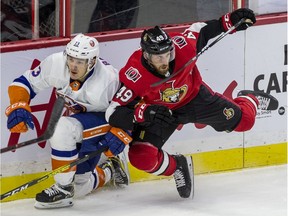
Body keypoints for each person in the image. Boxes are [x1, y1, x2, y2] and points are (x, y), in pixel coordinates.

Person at [105, 8, 278, 199]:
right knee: (141, 157)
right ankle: (178, 166)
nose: (165, 61)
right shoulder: (134, 74)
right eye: (158, 57)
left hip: (196, 99)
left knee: (245, 121)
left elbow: (200, 30)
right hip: (161, 113)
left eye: (167, 54)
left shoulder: (182, 48)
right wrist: (144, 114)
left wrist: (230, 21)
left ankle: (249, 98)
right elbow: (113, 113)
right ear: (146, 56)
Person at [5, 33, 132, 208]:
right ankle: (110, 168)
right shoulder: (56, 63)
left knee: (62, 128)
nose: (73, 65)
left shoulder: (107, 82)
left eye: (80, 62)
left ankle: (62, 189)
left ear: (92, 61)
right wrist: (19, 105)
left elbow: (132, 107)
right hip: (82, 122)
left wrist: (123, 132)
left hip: (105, 120)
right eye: (71, 59)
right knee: (79, 188)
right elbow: (23, 82)